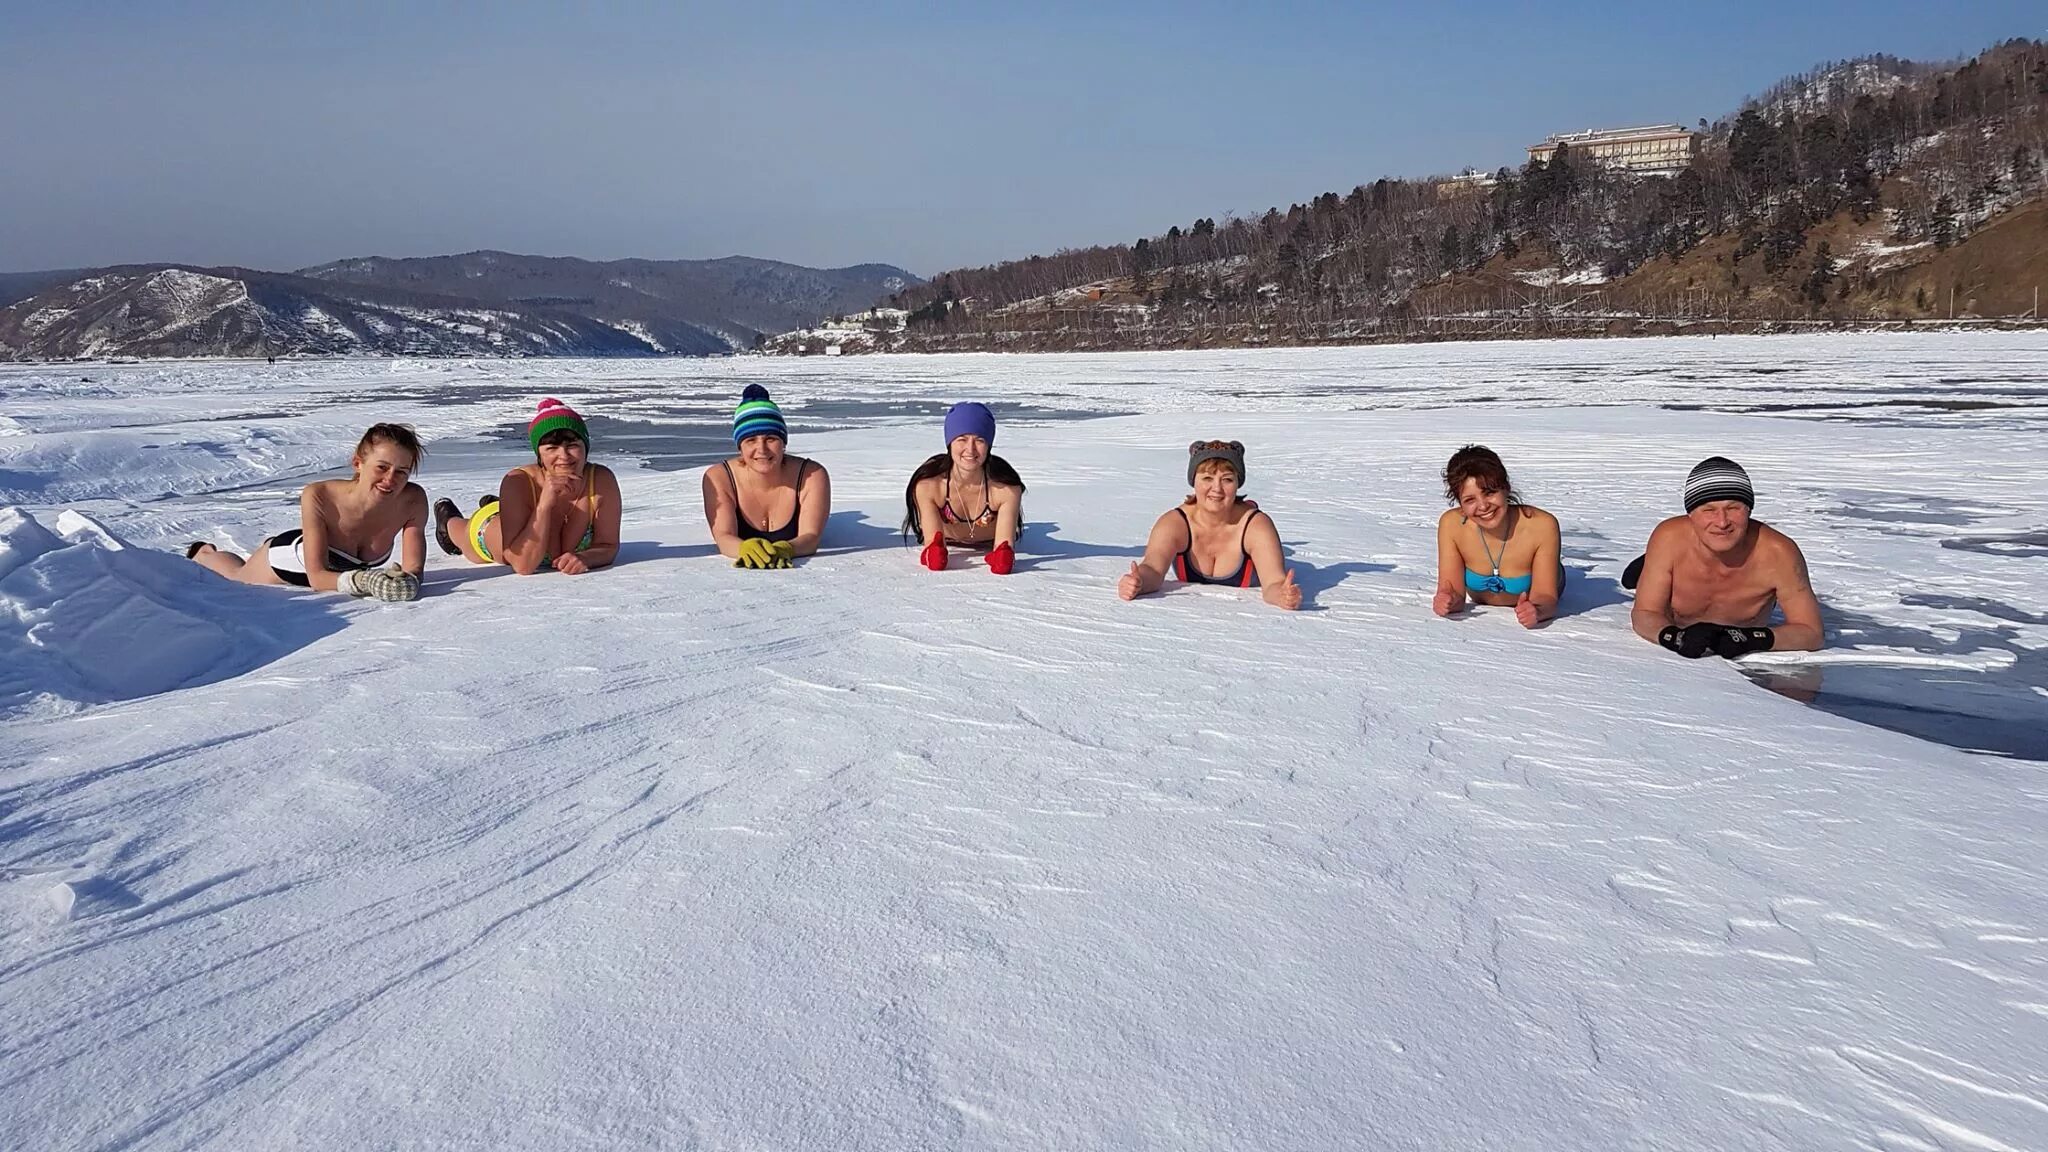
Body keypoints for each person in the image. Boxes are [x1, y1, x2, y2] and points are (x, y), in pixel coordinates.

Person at [186, 423, 426, 601]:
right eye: (382, 467)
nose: (390, 479)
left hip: (311, 545)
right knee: (236, 576)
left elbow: (414, 569)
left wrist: (408, 582)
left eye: (401, 471)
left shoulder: (412, 501)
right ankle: (204, 552)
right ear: (358, 464)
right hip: (287, 560)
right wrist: (364, 580)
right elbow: (318, 578)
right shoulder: (319, 495)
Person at [1628, 456, 1823, 658]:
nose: (1722, 522)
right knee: (1657, 568)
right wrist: (1675, 637)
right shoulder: (1668, 539)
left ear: (1749, 510)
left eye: (1733, 508)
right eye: (1709, 510)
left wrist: (1748, 638)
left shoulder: (1778, 553)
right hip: (1679, 559)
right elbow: (1644, 614)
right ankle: (1647, 565)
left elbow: (1812, 632)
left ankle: (1651, 566)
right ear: (1691, 514)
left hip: (1745, 618)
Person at [433, 398, 621, 576]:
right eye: (551, 448)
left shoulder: (600, 480)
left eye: (572, 445)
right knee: (464, 534)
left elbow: (608, 545)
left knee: (512, 513)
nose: (564, 456)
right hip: (489, 529)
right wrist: (544, 504)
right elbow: (524, 565)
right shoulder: (518, 481)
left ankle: (501, 505)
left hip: (521, 511)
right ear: (539, 454)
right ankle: (447, 518)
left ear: (586, 447)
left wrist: (585, 557)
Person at [1117, 439, 1301, 610]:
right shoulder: (1174, 523)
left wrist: (1283, 595)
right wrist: (1138, 581)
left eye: (1227, 479)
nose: (1217, 488)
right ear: (1193, 482)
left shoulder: (1256, 526)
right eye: (1207, 478)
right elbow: (1153, 569)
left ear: (1238, 484)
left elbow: (1273, 582)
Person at [1431, 445, 1563, 628]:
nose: (1483, 506)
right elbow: (1452, 592)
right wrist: (1447, 601)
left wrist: (1537, 610)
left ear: (1505, 488)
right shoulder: (1451, 525)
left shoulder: (1541, 525)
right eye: (1470, 500)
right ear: (1460, 504)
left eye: (1489, 492)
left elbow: (1546, 597)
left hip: (1553, 576)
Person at [702, 384, 831, 569]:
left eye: (771, 439)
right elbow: (723, 537)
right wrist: (742, 547)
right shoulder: (719, 478)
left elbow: (811, 537)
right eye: (751, 440)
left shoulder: (811, 476)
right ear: (740, 447)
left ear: (783, 443)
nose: (761, 449)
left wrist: (788, 548)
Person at [902, 402, 1025, 574]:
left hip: (988, 541)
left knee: (1003, 565)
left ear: (989, 445)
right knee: (936, 560)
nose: (970, 449)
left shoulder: (1005, 489)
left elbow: (1004, 547)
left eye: (980, 440)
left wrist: (1003, 555)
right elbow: (932, 544)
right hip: (947, 539)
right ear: (949, 443)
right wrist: (933, 551)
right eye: (962, 439)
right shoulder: (930, 485)